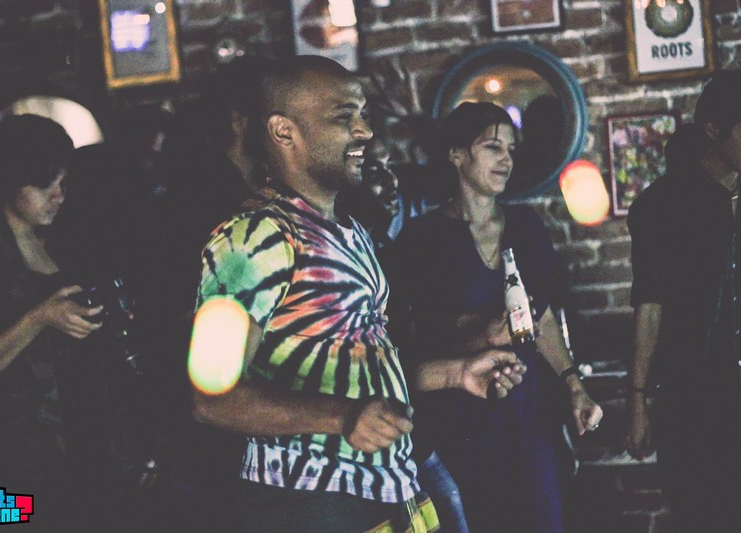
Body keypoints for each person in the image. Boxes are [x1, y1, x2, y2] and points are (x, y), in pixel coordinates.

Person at [190, 55, 526, 532]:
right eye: (343, 117)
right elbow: (210, 399)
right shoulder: (251, 238)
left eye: (363, 114)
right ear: (284, 131)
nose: (365, 131)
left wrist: (455, 373)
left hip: (387, 492)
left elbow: (360, 365)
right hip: (311, 504)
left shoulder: (348, 230)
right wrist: (342, 417)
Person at [394, 102, 602, 533]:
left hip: (530, 411)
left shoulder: (526, 225)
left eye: (511, 149)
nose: (506, 159)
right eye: (492, 147)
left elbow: (543, 319)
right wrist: (480, 334)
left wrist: (574, 386)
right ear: (456, 154)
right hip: (461, 416)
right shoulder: (421, 238)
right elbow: (413, 342)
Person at [0, 114, 135, 531]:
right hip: (5, 475)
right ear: (9, 181)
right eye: (44, 184)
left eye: (63, 182)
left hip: (84, 461)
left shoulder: (69, 243)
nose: (58, 195)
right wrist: (38, 318)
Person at [624, 70, 741, 532]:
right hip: (695, 399)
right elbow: (649, 304)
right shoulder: (662, 206)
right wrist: (637, 400)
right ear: (714, 130)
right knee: (704, 515)